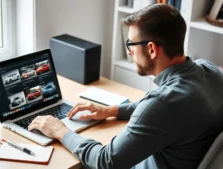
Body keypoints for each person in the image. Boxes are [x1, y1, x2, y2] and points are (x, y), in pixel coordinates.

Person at [28, 4, 223, 169]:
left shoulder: (161, 104)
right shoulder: (211, 71)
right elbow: (168, 109)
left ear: (152, 49)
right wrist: (112, 110)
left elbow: (105, 161)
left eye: (131, 44)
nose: (129, 51)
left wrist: (61, 132)